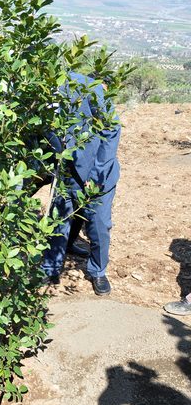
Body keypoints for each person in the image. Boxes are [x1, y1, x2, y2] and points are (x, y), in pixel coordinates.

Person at [42, 74, 121, 296]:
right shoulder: (34, 91)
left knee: (98, 226)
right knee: (59, 220)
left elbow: (112, 128)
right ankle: (51, 266)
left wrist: (96, 175)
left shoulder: (87, 87)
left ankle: (97, 270)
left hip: (95, 172)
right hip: (64, 170)